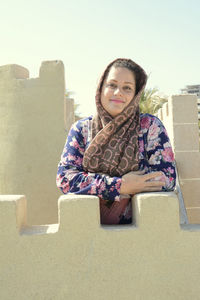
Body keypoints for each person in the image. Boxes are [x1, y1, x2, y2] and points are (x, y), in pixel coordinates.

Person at [56, 58, 176, 225]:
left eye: (127, 88)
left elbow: (167, 178)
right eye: (112, 85)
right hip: (89, 233)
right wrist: (120, 185)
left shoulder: (149, 127)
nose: (118, 92)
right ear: (101, 87)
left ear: (136, 94)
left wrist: (95, 183)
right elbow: (65, 179)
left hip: (144, 230)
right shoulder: (82, 129)